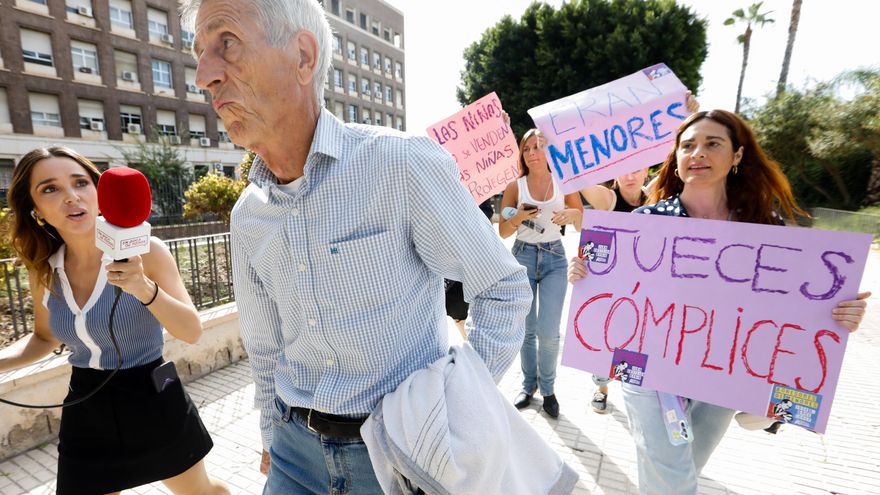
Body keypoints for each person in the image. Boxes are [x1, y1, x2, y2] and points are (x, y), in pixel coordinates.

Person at [184, 0, 532, 492]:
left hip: (398, 459)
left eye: (227, 44)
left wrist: (457, 412)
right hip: (292, 455)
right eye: (199, 54)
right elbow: (264, 346)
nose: (204, 76)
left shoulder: (400, 165)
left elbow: (503, 286)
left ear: (303, 56)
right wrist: (268, 434)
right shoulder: (248, 216)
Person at [568, 110, 870, 494]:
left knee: (682, 472)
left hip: (723, 376)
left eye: (713, 144)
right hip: (648, 372)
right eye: (688, 145)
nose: (699, 153)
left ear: (738, 156)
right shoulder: (644, 220)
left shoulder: (766, 228)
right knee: (672, 481)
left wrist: (838, 314)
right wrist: (584, 274)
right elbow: (608, 289)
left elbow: (793, 311)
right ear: (675, 158)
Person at [0, 147, 228, 495]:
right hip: (86, 406)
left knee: (201, 492)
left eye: (81, 183)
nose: (71, 197)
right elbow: (44, 339)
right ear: (36, 210)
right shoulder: (44, 269)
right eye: (50, 189)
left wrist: (142, 286)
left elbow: (191, 331)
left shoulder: (146, 251)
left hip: (152, 394)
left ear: (99, 192)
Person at [499, 128, 583, 418]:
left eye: (538, 147)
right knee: (527, 330)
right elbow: (503, 230)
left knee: (549, 333)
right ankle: (527, 385)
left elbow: (581, 223)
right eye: (527, 148)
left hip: (555, 259)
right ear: (522, 154)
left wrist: (573, 216)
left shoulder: (564, 183)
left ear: (550, 151)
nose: (533, 153)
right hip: (522, 255)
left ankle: (548, 390)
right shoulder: (516, 186)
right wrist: (519, 216)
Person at [446, 200, 495, 340]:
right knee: (455, 309)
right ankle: (468, 341)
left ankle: (469, 343)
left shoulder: (477, 188)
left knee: (463, 309)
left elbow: (487, 211)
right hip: (448, 251)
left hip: (473, 253)